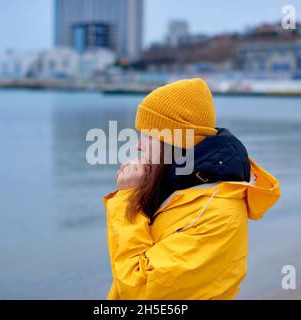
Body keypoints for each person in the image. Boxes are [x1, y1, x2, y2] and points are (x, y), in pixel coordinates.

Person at [104, 78, 281, 299]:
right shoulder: (181, 190)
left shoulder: (217, 215)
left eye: (148, 136)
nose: (138, 145)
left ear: (177, 142)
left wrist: (126, 200)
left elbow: (139, 289)